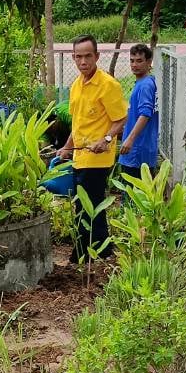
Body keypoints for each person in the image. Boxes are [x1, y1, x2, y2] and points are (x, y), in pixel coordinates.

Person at [57, 36, 128, 262]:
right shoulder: (76, 86)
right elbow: (77, 124)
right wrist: (66, 148)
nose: (83, 61)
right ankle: (102, 250)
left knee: (87, 206)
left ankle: (82, 254)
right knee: (89, 205)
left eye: (88, 56)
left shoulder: (108, 85)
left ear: (97, 57)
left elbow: (121, 119)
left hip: (97, 159)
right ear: (73, 58)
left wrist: (106, 139)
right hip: (80, 156)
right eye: (79, 57)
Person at [121, 43, 160, 177]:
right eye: (132, 61)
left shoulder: (145, 85)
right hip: (142, 149)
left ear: (149, 62)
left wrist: (130, 140)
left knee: (133, 194)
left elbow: (145, 114)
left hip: (137, 152)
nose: (134, 65)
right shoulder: (147, 82)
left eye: (139, 61)